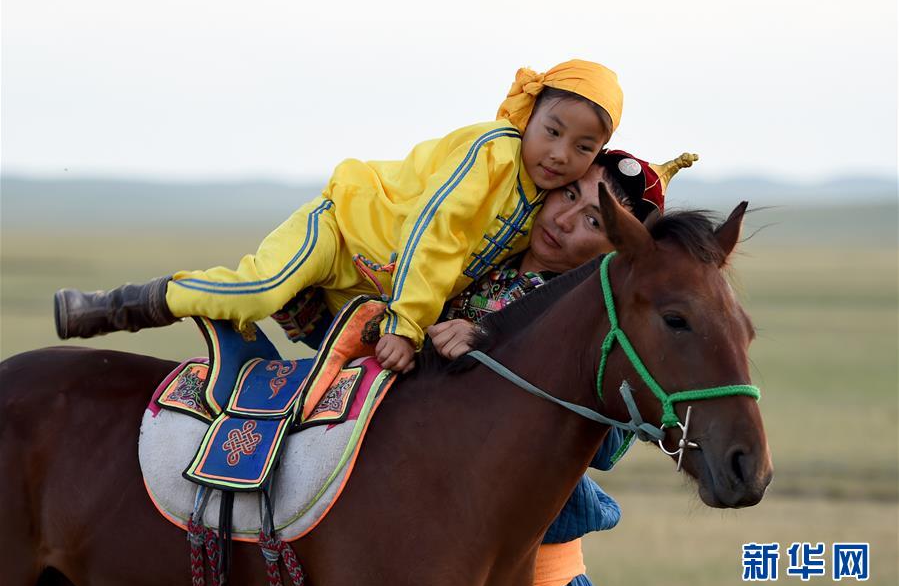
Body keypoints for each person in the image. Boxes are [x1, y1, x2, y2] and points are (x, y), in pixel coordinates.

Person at [54, 60, 625, 374]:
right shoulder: (492, 153)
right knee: (260, 289)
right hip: (343, 234)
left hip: (375, 286)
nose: (559, 155)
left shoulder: (538, 202)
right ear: (528, 115)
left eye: (581, 147)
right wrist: (406, 324)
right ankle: (123, 305)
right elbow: (436, 233)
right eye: (552, 131)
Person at [428, 149, 697, 586]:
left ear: (617, 251)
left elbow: (605, 447)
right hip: (430, 560)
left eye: (594, 220)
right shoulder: (475, 261)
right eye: (569, 193)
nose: (565, 219)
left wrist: (493, 348)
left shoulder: (601, 327)